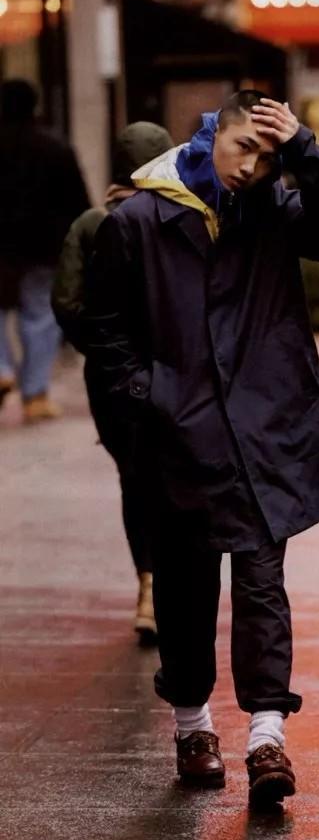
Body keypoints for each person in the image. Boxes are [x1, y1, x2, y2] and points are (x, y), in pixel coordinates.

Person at [83, 91, 319, 804]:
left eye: (267, 160)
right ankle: (192, 727)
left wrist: (304, 150)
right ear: (211, 136)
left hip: (262, 430)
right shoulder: (139, 220)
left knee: (262, 582)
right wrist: (149, 394)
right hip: (180, 432)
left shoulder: (270, 210)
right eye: (245, 149)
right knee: (185, 587)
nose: (251, 168)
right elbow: (103, 324)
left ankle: (268, 736)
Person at [52, 121, 175, 645]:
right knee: (175, 478)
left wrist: (106, 354)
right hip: (176, 375)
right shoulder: (179, 215)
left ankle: (148, 587)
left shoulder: (92, 222)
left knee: (134, 478)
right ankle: (174, 588)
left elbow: (66, 303)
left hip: (110, 383)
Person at [0, 79, 90, 421]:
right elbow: (77, 201)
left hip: (2, 248)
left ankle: (1, 368)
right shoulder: (55, 147)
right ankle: (35, 394)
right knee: (39, 316)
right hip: (44, 248)